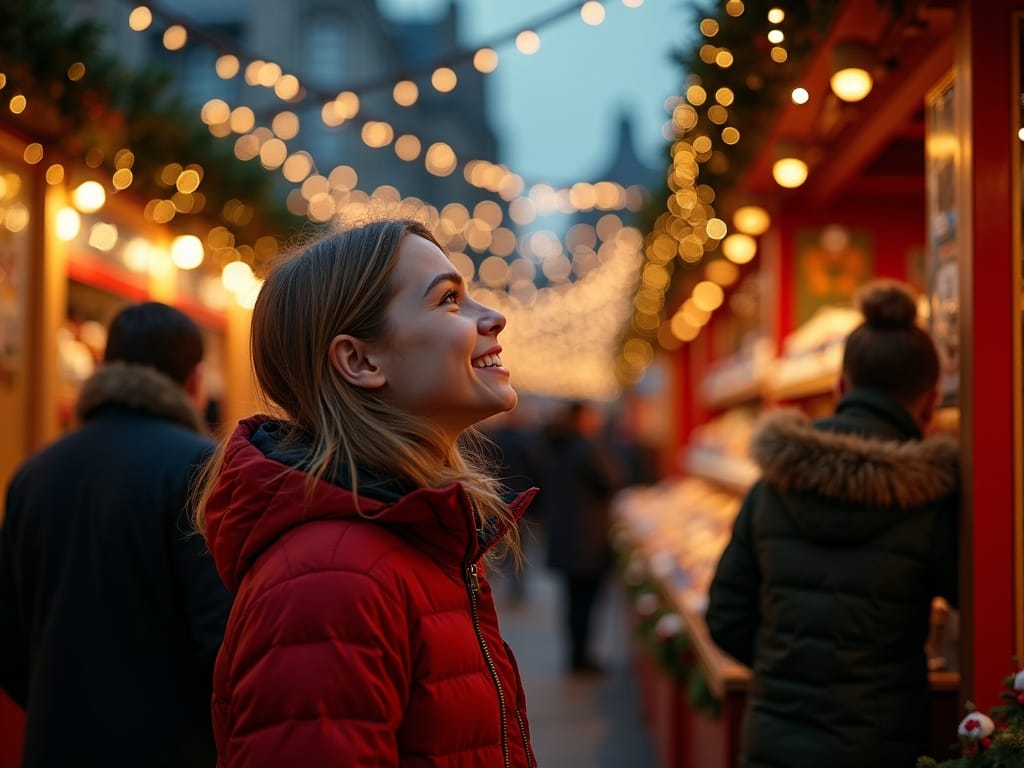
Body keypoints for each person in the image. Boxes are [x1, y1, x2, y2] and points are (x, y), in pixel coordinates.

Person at [193, 219, 538, 766]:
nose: (494, 317)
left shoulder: (415, 538)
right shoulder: (331, 580)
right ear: (359, 361)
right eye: (450, 300)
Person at [705, 280, 959, 768]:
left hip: (773, 739)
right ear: (931, 401)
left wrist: (786, 671)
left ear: (841, 387)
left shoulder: (773, 484)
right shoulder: (931, 500)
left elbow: (726, 615)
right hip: (882, 741)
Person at [0, 301, 231, 767]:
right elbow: (221, 641)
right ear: (194, 381)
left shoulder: (33, 474)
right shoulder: (201, 469)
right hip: (169, 749)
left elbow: (8, 643)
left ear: (104, 369)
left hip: (54, 745)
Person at [541, 399, 627, 675]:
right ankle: (582, 658)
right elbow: (612, 480)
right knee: (586, 602)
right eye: (593, 416)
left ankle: (576, 655)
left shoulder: (556, 445)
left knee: (573, 601)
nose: (598, 421)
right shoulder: (586, 447)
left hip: (566, 535)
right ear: (582, 419)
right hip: (587, 538)